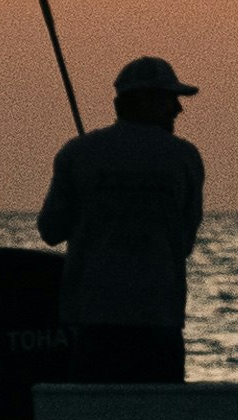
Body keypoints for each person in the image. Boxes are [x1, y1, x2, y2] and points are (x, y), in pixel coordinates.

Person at [37, 56, 206, 381]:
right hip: (159, 319)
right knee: (159, 409)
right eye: (170, 99)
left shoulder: (77, 153)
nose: (178, 110)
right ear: (147, 101)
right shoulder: (185, 157)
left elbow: (50, 230)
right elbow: (184, 242)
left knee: (95, 407)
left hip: (93, 319)